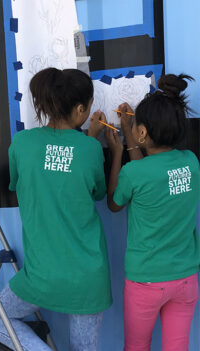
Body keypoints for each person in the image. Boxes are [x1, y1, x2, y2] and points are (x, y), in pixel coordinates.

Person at [0, 67, 111, 351]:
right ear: (81, 109)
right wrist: (89, 140)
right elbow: (98, 193)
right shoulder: (90, 149)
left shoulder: (21, 144)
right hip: (88, 278)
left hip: (42, 277)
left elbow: (20, 183)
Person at [104, 74, 199, 351]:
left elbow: (114, 203)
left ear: (142, 132)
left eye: (134, 126)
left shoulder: (134, 173)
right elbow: (151, 174)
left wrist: (118, 152)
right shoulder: (191, 162)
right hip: (185, 277)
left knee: (137, 347)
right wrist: (131, 133)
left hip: (145, 280)